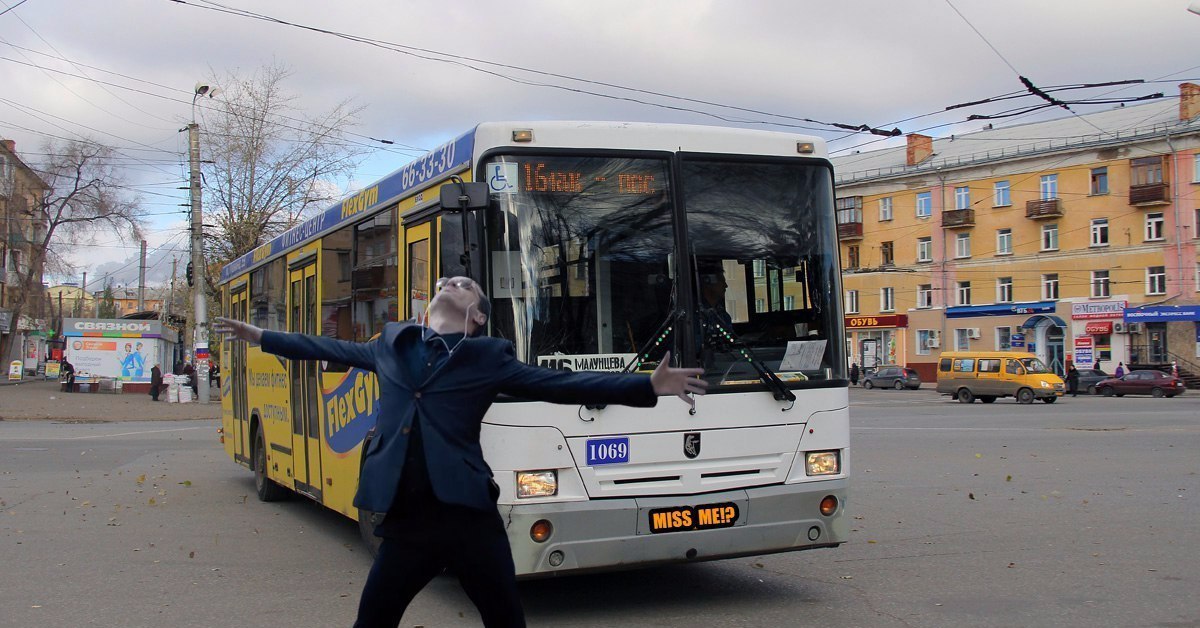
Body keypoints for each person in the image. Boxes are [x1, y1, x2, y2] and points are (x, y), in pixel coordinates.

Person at [214, 275, 706, 627]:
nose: (452, 281)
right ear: (430, 305)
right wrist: (261, 336)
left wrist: (646, 386)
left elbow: (559, 384)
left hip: (469, 520)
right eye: (446, 280)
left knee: (505, 619)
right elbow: (327, 348)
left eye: (465, 284)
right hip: (407, 525)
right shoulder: (392, 345)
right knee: (373, 619)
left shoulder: (487, 358)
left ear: (476, 316)